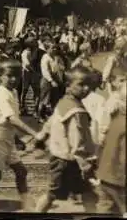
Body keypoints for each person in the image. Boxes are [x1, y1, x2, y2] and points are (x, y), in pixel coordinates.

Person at [0, 59, 44, 212]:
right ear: (0, 76)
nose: (13, 79)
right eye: (9, 76)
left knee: (21, 171)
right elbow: (11, 118)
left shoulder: (13, 92)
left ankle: (26, 202)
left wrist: (16, 138)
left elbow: (9, 118)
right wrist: (35, 133)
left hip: (8, 137)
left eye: (17, 76)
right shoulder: (1, 93)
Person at [34, 66, 97, 213]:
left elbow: (51, 121)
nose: (86, 88)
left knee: (87, 193)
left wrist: (41, 136)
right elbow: (77, 141)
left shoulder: (64, 102)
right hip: (69, 161)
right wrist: (86, 165)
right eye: (81, 84)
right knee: (52, 194)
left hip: (63, 158)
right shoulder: (77, 111)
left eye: (88, 84)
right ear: (68, 86)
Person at [95, 65, 126, 214]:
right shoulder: (113, 103)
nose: (123, 82)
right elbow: (103, 127)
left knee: (106, 201)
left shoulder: (118, 100)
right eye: (121, 80)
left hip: (111, 164)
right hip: (113, 161)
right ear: (113, 82)